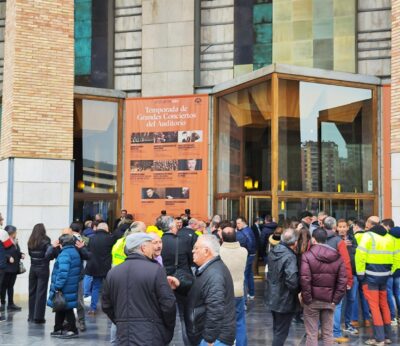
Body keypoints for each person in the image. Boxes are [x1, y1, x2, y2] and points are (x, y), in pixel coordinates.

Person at [102, 233, 176, 346]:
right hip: (151, 334)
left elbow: (106, 305)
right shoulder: (156, 270)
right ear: (143, 248)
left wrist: (121, 320)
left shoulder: (113, 273)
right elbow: (168, 304)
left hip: (124, 335)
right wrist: (167, 327)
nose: (153, 249)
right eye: (151, 245)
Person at [184, 234, 236, 346]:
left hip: (215, 340)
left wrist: (209, 338)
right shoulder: (210, 269)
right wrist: (180, 285)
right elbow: (201, 289)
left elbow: (215, 308)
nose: (193, 251)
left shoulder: (214, 274)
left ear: (206, 251)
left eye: (196, 248)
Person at [300, 228, 347, 346]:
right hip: (329, 300)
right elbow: (342, 281)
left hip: (312, 301)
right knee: (328, 333)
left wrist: (307, 299)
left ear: (313, 239)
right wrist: (335, 300)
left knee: (311, 334)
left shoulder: (307, 255)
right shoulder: (337, 256)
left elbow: (305, 279)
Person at [355, 216, 394, 345]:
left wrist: (360, 274)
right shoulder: (389, 237)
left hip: (370, 277)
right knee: (384, 305)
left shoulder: (368, 236)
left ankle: (379, 338)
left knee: (374, 306)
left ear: (369, 224)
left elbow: (360, 256)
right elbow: (395, 256)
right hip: (385, 276)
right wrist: (390, 272)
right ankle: (387, 336)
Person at [160, 216, 194, 345]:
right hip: (182, 280)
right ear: (171, 227)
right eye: (175, 225)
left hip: (163, 281)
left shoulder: (158, 242)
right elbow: (191, 261)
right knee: (185, 317)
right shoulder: (183, 241)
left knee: (162, 317)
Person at [266, 228, 300, 346]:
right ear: (295, 242)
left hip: (273, 295)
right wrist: (297, 291)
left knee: (277, 329)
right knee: (281, 332)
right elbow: (292, 280)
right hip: (284, 298)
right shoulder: (290, 256)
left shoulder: (274, 250)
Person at [323, 216, 353, 344]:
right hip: (335, 278)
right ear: (335, 227)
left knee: (321, 305)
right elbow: (346, 262)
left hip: (319, 278)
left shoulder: (317, 239)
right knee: (337, 305)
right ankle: (335, 333)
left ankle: (322, 331)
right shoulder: (338, 242)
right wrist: (349, 280)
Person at [47, 234, 82, 339]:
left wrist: (57, 286)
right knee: (60, 307)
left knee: (66, 308)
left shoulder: (64, 254)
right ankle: (58, 329)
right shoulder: (74, 252)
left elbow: (63, 273)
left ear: (62, 244)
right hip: (70, 285)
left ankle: (72, 330)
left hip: (65, 286)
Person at [220, 224, 248, 346]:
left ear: (222, 238)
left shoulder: (218, 252)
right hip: (238, 292)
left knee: (222, 322)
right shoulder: (243, 251)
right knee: (240, 322)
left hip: (223, 292)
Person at [85, 222, 116, 315]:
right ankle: (109, 307)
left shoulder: (91, 239)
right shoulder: (110, 238)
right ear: (106, 229)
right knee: (109, 288)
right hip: (107, 267)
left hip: (95, 266)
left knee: (95, 287)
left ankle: (93, 308)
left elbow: (88, 251)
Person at [336, 218, 359, 335]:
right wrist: (341, 246)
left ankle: (348, 323)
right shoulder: (334, 239)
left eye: (344, 227)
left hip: (352, 273)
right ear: (336, 228)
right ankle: (337, 325)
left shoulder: (352, 238)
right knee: (338, 302)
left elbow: (358, 252)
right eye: (340, 227)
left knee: (351, 299)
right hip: (339, 275)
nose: (342, 229)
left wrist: (352, 247)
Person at [27, 223, 53, 323]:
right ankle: (39, 317)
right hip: (43, 268)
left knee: (32, 292)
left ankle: (31, 316)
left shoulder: (30, 240)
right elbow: (49, 253)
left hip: (32, 268)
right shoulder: (46, 240)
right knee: (41, 293)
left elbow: (30, 254)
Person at [350, 219, 371, 328]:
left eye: (353, 226)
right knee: (364, 296)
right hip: (367, 271)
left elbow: (354, 257)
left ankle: (354, 319)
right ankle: (367, 319)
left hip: (356, 271)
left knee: (353, 297)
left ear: (357, 227)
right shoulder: (369, 237)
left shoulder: (355, 238)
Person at [1, 225, 23, 311]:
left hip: (14, 268)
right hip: (6, 267)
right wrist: (8, 257)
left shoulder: (15, 241)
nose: (16, 233)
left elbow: (17, 252)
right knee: (3, 286)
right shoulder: (4, 240)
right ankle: (2, 303)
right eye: (15, 232)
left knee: (11, 286)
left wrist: (21, 254)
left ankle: (11, 304)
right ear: (11, 233)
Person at [236, 217, 256, 299]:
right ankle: (251, 293)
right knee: (249, 274)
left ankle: (246, 294)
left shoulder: (245, 232)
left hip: (247, 255)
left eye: (239, 223)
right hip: (250, 255)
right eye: (237, 223)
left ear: (244, 222)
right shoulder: (247, 230)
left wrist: (245, 253)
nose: (237, 225)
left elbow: (250, 244)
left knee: (244, 275)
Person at [382, 218, 397, 324]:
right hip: (395, 270)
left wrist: (390, 270)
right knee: (397, 294)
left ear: (387, 226)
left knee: (389, 294)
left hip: (390, 271)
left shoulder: (388, 238)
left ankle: (392, 316)